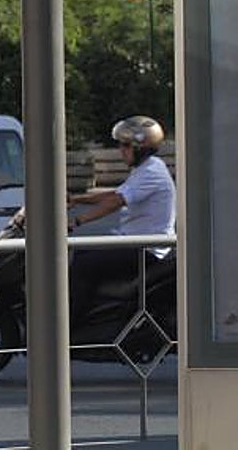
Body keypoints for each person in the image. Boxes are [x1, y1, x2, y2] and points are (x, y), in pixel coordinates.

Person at [67, 115, 176, 332]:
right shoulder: (146, 168)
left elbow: (116, 201)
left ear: (141, 148)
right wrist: (77, 200)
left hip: (147, 249)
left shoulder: (152, 172)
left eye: (125, 145)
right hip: (134, 242)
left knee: (84, 264)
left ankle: (71, 326)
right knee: (81, 253)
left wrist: (76, 221)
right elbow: (116, 193)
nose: (120, 150)